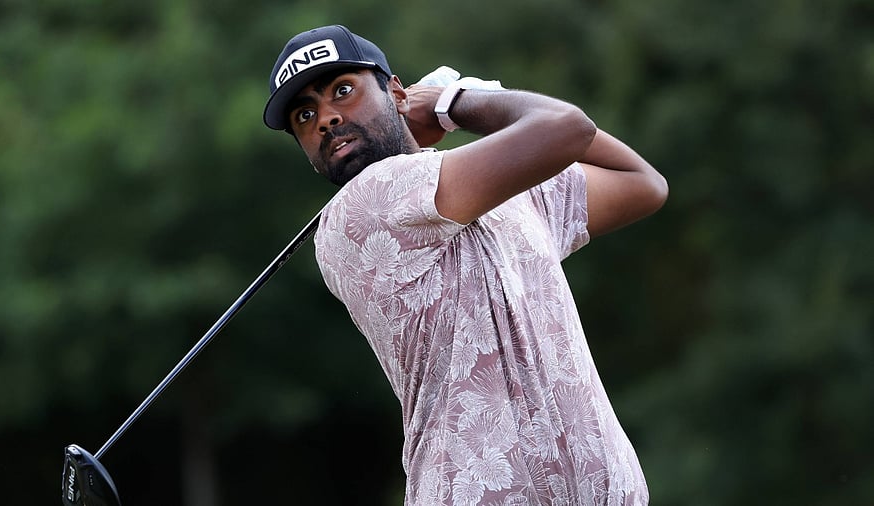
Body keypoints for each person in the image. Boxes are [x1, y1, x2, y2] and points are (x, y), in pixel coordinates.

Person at [263, 25, 667, 505]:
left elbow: (642, 183)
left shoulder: (502, 193)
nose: (326, 118)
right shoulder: (362, 207)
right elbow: (567, 129)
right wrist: (455, 103)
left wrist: (449, 111)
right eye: (305, 115)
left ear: (396, 92)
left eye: (342, 91)